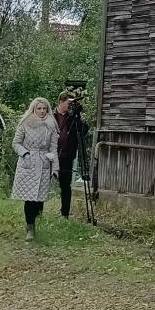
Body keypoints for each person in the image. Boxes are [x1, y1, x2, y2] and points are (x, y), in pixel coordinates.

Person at [11, 97, 58, 240]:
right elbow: (16, 143)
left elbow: (54, 148)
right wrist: (25, 154)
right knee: (29, 198)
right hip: (28, 163)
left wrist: (55, 168)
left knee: (38, 199)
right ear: (34, 109)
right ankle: (30, 227)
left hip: (44, 162)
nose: (42, 111)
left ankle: (35, 218)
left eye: (44, 108)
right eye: (39, 108)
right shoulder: (25, 123)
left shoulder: (51, 126)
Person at [53, 90, 90, 219]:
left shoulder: (72, 118)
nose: (70, 106)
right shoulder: (51, 116)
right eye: (69, 103)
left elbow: (83, 131)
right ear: (61, 102)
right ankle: (38, 211)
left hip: (66, 156)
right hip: (49, 155)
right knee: (42, 182)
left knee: (65, 186)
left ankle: (65, 214)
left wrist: (78, 116)